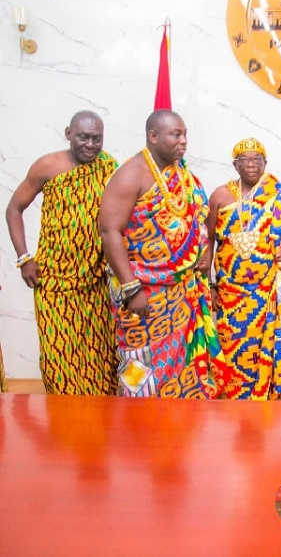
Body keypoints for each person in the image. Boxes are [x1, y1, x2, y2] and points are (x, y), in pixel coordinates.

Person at [98, 109, 229, 398]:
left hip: (182, 293)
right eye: (176, 134)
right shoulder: (131, 174)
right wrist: (132, 289)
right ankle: (137, 428)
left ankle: (177, 430)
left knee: (182, 365)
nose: (183, 141)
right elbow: (109, 231)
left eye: (184, 134)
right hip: (143, 292)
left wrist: (202, 253)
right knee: (139, 363)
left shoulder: (181, 172)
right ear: (153, 136)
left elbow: (196, 218)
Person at [5, 110, 118, 395]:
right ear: (69, 133)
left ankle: (97, 432)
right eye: (83, 137)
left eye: (97, 139)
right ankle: (64, 431)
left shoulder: (109, 167)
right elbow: (14, 209)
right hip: (53, 282)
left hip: (96, 284)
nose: (90, 145)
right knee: (59, 362)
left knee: (102, 362)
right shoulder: (47, 166)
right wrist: (24, 258)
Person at [207, 138, 281, 400]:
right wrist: (209, 283)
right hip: (230, 292)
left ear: (265, 163)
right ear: (235, 165)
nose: (251, 164)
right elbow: (208, 240)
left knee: (266, 347)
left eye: (257, 159)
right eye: (245, 160)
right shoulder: (221, 195)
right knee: (232, 346)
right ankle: (235, 401)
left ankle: (264, 400)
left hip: (267, 290)